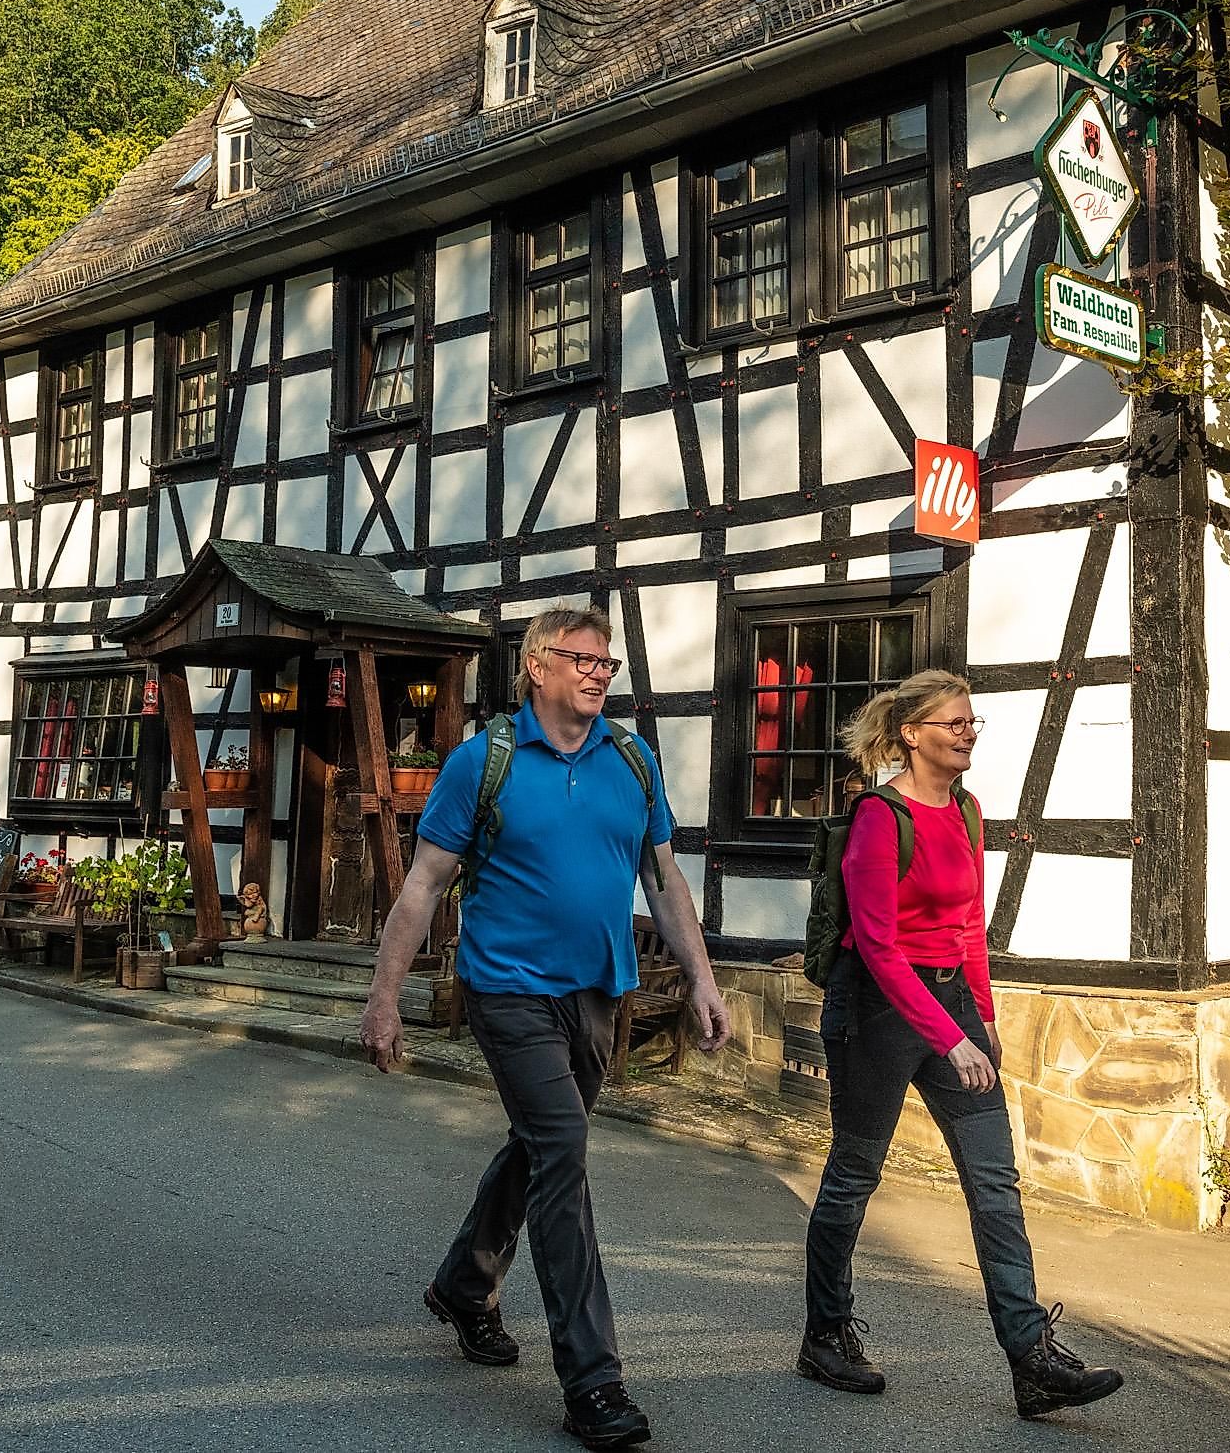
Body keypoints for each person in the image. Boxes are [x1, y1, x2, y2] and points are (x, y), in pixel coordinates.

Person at [361, 606, 731, 1451]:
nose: (599, 673)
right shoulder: (483, 760)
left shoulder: (632, 760)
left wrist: (703, 979)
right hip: (507, 990)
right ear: (537, 665)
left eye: (607, 662)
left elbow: (664, 879)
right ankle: (592, 1380)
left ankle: (465, 1283)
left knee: (539, 1145)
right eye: (582, 659)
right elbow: (423, 884)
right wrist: (384, 998)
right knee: (562, 1144)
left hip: (597, 992)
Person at [796, 668, 1125, 1421]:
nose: (968, 732)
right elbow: (877, 946)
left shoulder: (968, 809)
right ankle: (824, 1335)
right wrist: (951, 1041)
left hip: (951, 1004)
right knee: (854, 1174)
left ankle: (1032, 1359)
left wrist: (983, 1016)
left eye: (972, 721)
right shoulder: (880, 817)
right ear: (912, 734)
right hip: (876, 1009)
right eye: (954, 722)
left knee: (994, 1180)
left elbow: (970, 921)